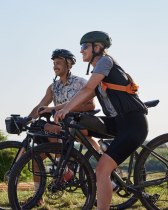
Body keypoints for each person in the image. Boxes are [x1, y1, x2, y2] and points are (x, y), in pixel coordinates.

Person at [54, 31, 148, 210]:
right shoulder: (99, 69)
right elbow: (86, 92)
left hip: (133, 123)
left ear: (97, 48)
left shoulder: (105, 61)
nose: (81, 51)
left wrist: (66, 109)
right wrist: (57, 109)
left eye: (84, 47)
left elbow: (87, 89)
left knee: (101, 170)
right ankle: (104, 149)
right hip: (117, 122)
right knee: (80, 124)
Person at [27, 49, 96, 206]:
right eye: (54, 63)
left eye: (58, 63)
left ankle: (67, 171)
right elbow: (41, 105)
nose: (55, 66)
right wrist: (27, 119)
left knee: (53, 128)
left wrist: (64, 109)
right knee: (35, 159)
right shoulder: (53, 87)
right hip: (60, 131)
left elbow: (91, 104)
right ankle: (38, 198)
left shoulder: (80, 83)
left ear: (69, 64)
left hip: (78, 125)